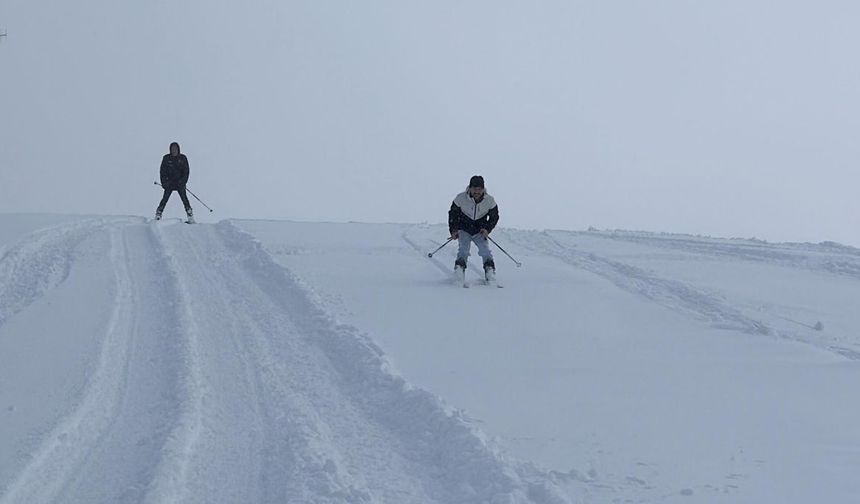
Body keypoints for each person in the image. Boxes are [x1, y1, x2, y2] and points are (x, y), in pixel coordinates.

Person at [448, 175, 499, 281]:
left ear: (483, 189)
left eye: (479, 189)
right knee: (463, 250)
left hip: (480, 230)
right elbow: (453, 214)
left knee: (485, 250)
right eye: (474, 189)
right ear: (470, 188)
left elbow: (494, 217)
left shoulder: (489, 200)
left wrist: (487, 229)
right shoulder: (460, 198)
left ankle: (489, 270)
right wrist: (453, 230)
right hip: (464, 229)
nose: (477, 192)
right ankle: (459, 270)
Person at [155, 142, 194, 222]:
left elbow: (186, 172)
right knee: (164, 199)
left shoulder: (183, 158)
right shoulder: (166, 158)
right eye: (172, 149)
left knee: (185, 199)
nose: (174, 151)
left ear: (178, 149)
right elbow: (162, 172)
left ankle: (190, 216)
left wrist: (183, 182)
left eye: (175, 149)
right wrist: (164, 183)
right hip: (169, 183)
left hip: (180, 183)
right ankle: (158, 214)